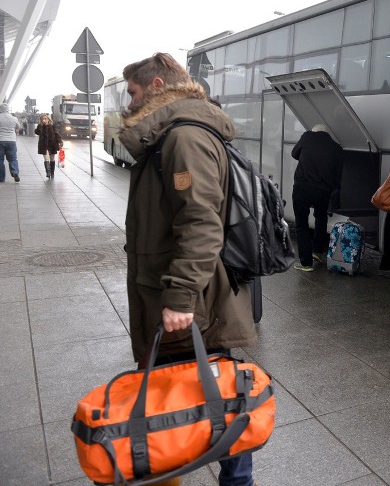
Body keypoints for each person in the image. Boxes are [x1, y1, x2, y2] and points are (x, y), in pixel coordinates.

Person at [118, 52, 258, 486]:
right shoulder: (172, 136)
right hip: (185, 297)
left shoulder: (184, 139)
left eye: (134, 93)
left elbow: (201, 224)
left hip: (193, 302)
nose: (129, 102)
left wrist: (178, 298)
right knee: (202, 398)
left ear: (157, 88)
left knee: (209, 401)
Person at [291, 123, 344, 271]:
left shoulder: (307, 137)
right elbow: (337, 175)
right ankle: (318, 252)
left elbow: (294, 153)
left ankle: (306, 263)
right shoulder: (337, 148)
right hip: (323, 190)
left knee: (301, 224)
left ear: (314, 132)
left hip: (302, 187)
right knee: (321, 218)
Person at [35, 114, 63, 179]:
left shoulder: (52, 126)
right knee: (46, 158)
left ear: (48, 119)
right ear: (41, 120)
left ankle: (52, 173)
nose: (44, 120)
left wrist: (60, 141)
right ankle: (48, 172)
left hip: (52, 144)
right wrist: (43, 126)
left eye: (46, 118)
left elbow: (56, 134)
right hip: (44, 145)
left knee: (52, 159)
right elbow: (37, 132)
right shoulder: (40, 126)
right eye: (43, 119)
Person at [0, 103, 21, 183]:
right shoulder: (14, 118)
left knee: (0, 160)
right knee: (13, 159)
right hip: (11, 141)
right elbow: (18, 127)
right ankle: (15, 172)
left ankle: (1, 178)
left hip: (0, 140)